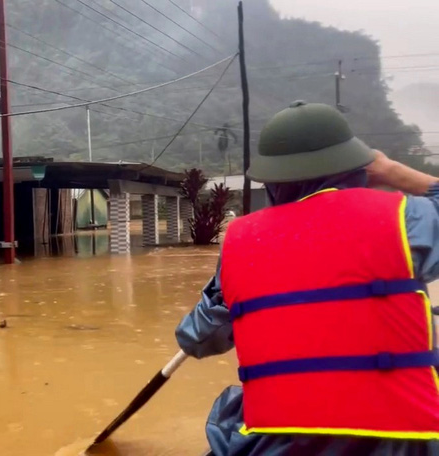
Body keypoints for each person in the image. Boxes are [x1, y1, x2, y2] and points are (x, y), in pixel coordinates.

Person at [176, 101, 439, 456]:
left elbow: (198, 338)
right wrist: (394, 172)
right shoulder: (406, 219)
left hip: (275, 444)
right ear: (359, 168)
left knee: (231, 415)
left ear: (272, 181)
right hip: (406, 442)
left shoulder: (241, 240)